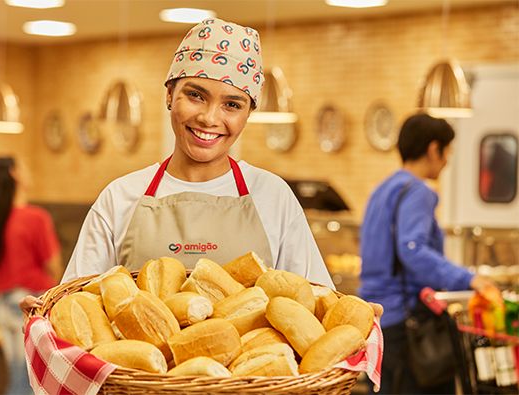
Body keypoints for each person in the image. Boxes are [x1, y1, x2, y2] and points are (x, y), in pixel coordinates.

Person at [21, 17, 334, 313]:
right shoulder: (120, 197)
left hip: (250, 373)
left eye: (231, 105)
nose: (210, 118)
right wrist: (45, 316)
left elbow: (315, 302)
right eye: (196, 96)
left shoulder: (273, 197)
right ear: (169, 94)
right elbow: (77, 307)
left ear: (248, 112)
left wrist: (358, 320)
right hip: (138, 372)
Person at [359, 113, 500, 394]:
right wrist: (469, 279)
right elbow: (413, 250)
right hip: (407, 322)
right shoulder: (418, 191)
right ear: (434, 149)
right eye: (447, 151)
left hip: (376, 320)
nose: (447, 161)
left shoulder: (382, 190)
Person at [0, 157, 61, 395]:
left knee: (18, 376)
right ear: (14, 174)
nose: (28, 171)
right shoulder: (36, 218)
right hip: (32, 304)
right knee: (31, 382)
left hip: (3, 305)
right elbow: (54, 267)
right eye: (23, 166)